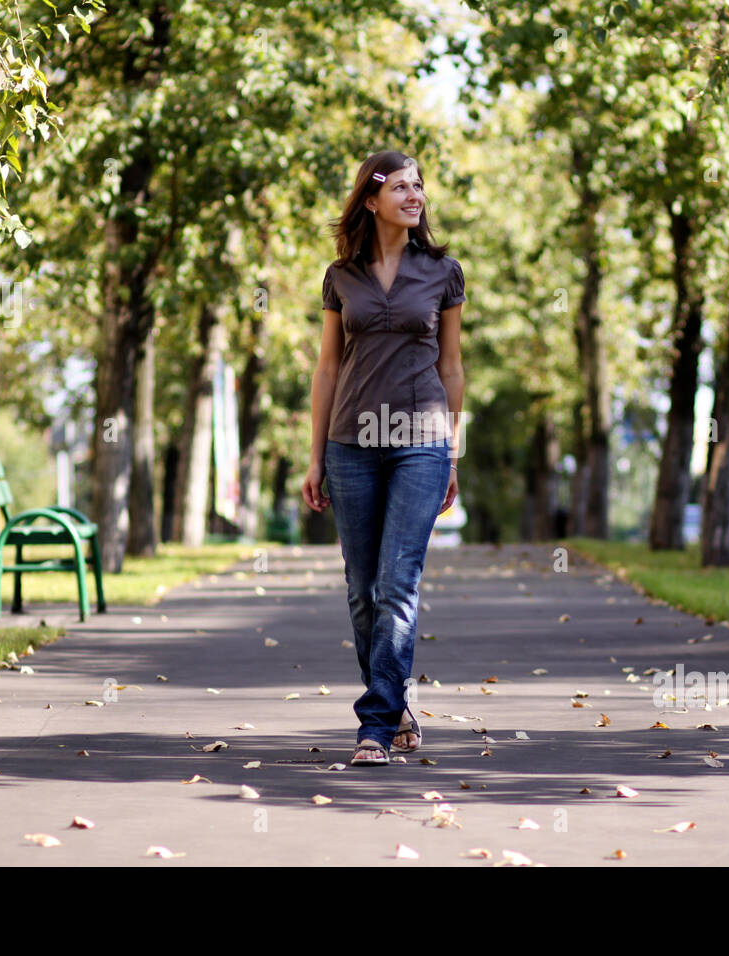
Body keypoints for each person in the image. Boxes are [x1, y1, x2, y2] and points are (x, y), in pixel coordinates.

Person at [301, 150, 466, 767]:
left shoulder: (444, 273)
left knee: (399, 584)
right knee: (362, 589)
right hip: (350, 444)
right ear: (372, 201)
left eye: (419, 185)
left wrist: (453, 451)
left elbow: (451, 367)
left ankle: (373, 724)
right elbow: (327, 368)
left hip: (422, 440)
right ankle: (394, 702)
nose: (415, 195)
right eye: (401, 186)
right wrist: (314, 457)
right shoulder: (341, 277)